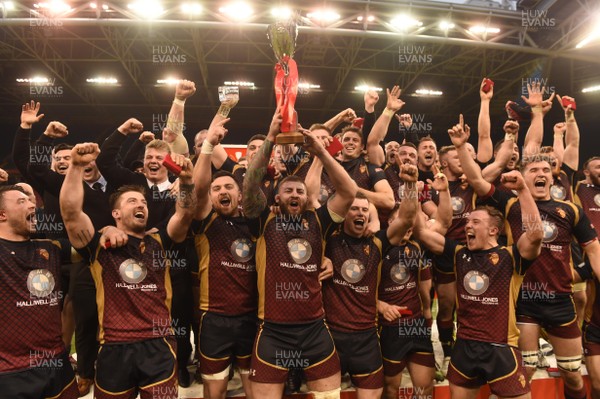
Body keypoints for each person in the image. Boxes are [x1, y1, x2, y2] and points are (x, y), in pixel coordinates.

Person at [450, 114, 600, 399]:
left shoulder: (569, 209)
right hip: (525, 300)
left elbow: (592, 246)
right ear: (523, 175)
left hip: (560, 298)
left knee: (572, 375)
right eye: (533, 170)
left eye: (546, 169)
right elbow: (476, 181)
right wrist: (460, 147)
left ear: (552, 175)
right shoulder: (509, 203)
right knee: (525, 370)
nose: (541, 173)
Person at [60, 142, 196, 399]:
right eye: (133, 201)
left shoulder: (159, 241)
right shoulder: (99, 246)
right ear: (116, 213)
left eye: (144, 202)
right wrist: (76, 166)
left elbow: (185, 215)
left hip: (159, 345)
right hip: (114, 347)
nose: (141, 205)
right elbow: (70, 213)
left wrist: (187, 181)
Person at [243, 109, 358, 399]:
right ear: (277, 198)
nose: (295, 194)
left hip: (315, 330)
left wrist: (320, 150)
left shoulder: (318, 221)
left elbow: (349, 190)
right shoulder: (263, 220)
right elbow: (250, 184)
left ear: (308, 198)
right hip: (272, 330)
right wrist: (270, 137)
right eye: (288, 191)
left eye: (300, 191)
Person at [413, 165, 544, 398]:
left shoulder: (510, 257)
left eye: (475, 222)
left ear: (494, 230)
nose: (467, 226)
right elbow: (421, 233)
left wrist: (523, 189)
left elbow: (535, 234)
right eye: (467, 223)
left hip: (500, 348)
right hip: (464, 347)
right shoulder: (458, 253)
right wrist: (412, 193)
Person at [322, 162, 418, 399]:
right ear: (344, 212)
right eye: (354, 209)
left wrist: (411, 184)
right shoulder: (327, 239)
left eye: (365, 210)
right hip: (331, 334)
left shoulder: (377, 243)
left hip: (366, 337)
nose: (361, 214)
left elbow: (406, 218)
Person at [190, 118, 257, 398]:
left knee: (254, 387)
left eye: (229, 187)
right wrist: (208, 146)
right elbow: (199, 187)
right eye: (217, 189)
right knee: (214, 390)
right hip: (215, 319)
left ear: (240, 195)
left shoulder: (256, 225)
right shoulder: (206, 221)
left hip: (251, 318)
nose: (222, 192)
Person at [0, 184, 79, 399]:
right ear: (2, 214)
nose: (32, 204)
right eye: (22, 201)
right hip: (10, 374)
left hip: (57, 365)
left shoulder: (51, 247)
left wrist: (109, 230)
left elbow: (90, 246)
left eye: (31, 200)